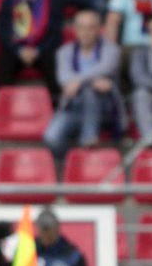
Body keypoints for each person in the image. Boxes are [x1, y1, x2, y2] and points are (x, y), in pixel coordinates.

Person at [43, 10, 126, 160]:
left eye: (91, 28)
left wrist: (79, 82)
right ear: (75, 30)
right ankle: (72, 165)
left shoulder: (111, 50)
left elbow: (106, 67)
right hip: (73, 106)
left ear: (98, 29)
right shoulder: (64, 52)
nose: (86, 32)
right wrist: (92, 80)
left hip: (105, 108)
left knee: (89, 91)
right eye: (81, 27)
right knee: (51, 137)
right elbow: (64, 79)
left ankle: (89, 137)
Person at [0, 0, 63, 99]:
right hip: (17, 49)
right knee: (5, 61)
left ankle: (57, 108)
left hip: (42, 49)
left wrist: (38, 50)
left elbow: (56, 35)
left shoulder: (53, 0)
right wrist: (19, 51)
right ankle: (4, 107)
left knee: (53, 62)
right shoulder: (10, 1)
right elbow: (3, 32)